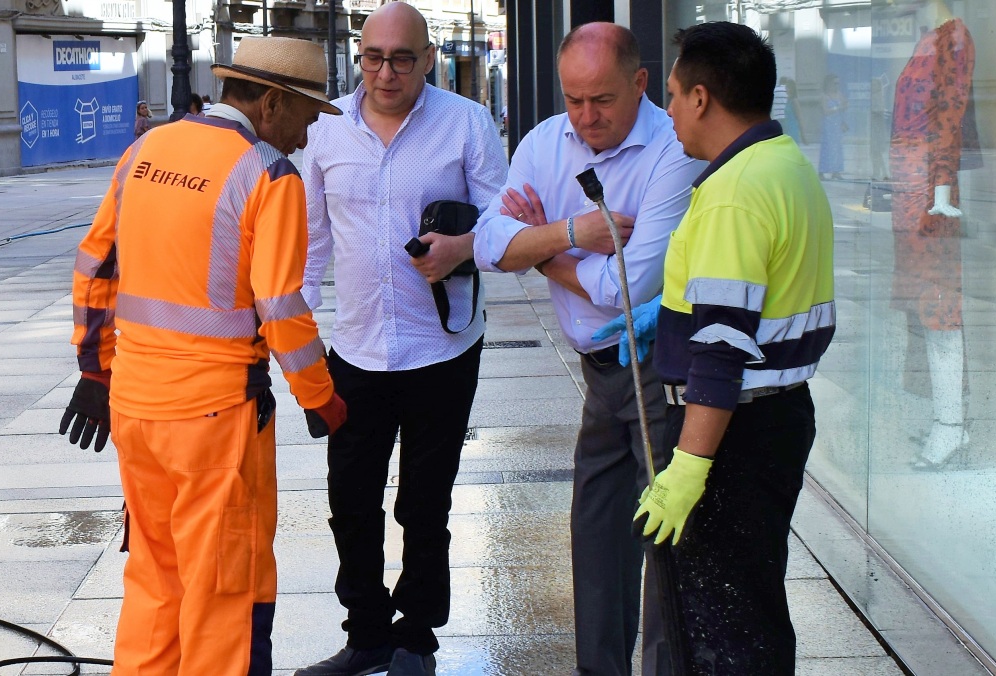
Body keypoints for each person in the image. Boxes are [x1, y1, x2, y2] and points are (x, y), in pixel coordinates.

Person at [57, 36, 347, 674]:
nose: (307, 135)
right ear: (271, 102)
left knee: (156, 582)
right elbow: (281, 308)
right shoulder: (270, 173)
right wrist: (321, 398)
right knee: (224, 596)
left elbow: (94, 266)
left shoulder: (145, 150)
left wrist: (93, 369)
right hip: (215, 422)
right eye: (305, 115)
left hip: (136, 407)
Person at [472, 21, 705, 676]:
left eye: (600, 99)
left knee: (666, 546)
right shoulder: (549, 142)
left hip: (658, 373)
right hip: (601, 377)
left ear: (639, 83)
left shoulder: (672, 150)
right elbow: (491, 245)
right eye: (573, 99)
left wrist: (543, 251)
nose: (586, 116)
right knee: (596, 536)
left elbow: (623, 289)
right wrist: (572, 231)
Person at [293, 3, 507, 676]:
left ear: (428, 57)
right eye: (374, 58)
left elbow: (504, 223)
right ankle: (366, 635)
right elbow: (309, 246)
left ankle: (417, 635)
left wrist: (462, 247)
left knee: (426, 500)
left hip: (441, 347)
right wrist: (288, 341)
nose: (386, 73)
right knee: (350, 500)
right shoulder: (325, 130)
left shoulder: (466, 122)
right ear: (360, 57)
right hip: (354, 348)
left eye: (402, 58)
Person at [620, 22, 835, 674]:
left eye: (676, 95)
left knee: (724, 630)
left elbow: (720, 351)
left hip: (729, 436)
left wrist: (688, 469)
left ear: (704, 98)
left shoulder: (732, 196)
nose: (671, 112)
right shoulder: (786, 166)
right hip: (776, 418)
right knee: (755, 612)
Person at [889, 0, 974, 469]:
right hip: (910, 188)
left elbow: (948, 114)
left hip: (927, 192)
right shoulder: (930, 37)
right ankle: (948, 418)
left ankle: (951, 425)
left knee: (940, 305)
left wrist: (939, 187)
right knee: (924, 307)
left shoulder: (952, 39)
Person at [818, 73, 846, 179]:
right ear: (829, 84)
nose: (837, 85)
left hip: (837, 124)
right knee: (827, 147)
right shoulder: (824, 96)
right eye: (835, 83)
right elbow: (825, 111)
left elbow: (844, 105)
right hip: (828, 125)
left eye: (838, 83)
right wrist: (838, 108)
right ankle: (822, 171)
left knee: (837, 147)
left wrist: (844, 109)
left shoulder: (839, 94)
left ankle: (836, 171)